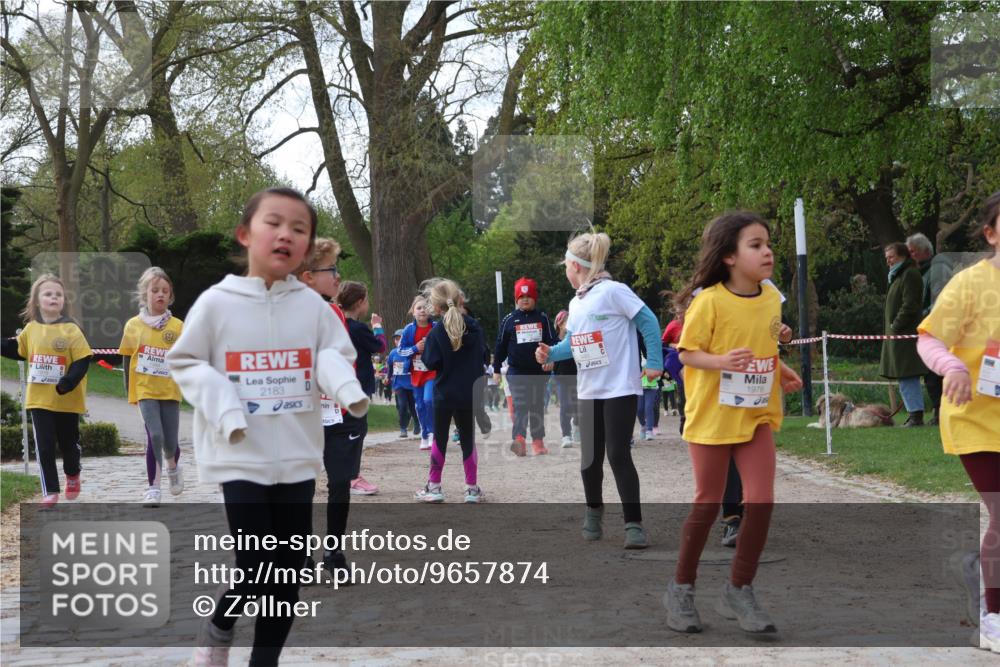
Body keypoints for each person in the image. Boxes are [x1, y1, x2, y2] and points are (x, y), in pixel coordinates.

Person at [167, 188, 367, 667]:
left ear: (307, 248)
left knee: (289, 570)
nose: (286, 234)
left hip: (296, 456)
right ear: (245, 234)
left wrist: (343, 386)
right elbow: (187, 361)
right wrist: (226, 410)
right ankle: (219, 628)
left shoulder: (313, 308)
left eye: (299, 229)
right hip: (240, 454)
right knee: (257, 564)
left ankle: (264, 661)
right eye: (273, 223)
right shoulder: (217, 303)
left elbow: (333, 353)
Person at [662, 210, 803, 635]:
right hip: (712, 417)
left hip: (755, 414)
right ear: (728, 256)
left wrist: (781, 370)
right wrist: (722, 361)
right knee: (707, 504)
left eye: (768, 244)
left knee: (761, 501)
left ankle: (739, 588)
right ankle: (681, 588)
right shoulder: (709, 301)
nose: (768, 252)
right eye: (755, 245)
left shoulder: (770, 298)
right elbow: (686, 354)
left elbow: (763, 345)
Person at [536, 232, 662, 549]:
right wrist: (550, 353)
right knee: (590, 458)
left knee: (618, 453)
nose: (566, 271)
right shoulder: (576, 302)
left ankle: (633, 524)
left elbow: (648, 321)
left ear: (576, 266)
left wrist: (654, 361)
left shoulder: (614, 291)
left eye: (566, 265)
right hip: (589, 389)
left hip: (620, 387)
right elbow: (573, 344)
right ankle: (593, 511)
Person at [917, 191, 1000, 652]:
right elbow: (928, 338)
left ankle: (977, 568)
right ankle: (993, 619)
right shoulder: (970, 284)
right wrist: (951, 367)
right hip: (976, 418)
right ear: (990, 234)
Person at [1, 274, 92, 509]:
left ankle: (73, 473)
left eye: (58, 294)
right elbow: (17, 349)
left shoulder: (71, 329)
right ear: (37, 301)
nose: (54, 297)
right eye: (48, 294)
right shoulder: (31, 329)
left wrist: (68, 382)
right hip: (39, 400)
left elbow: (82, 360)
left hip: (67, 399)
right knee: (44, 446)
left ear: (64, 301)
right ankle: (50, 491)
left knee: (69, 444)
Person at [415, 279, 487, 503]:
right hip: (469, 392)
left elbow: (430, 362)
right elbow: (484, 356)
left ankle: (434, 486)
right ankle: (471, 489)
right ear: (460, 300)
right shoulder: (475, 328)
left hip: (444, 393)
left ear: (436, 308)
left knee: (440, 439)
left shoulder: (436, 332)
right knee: (467, 439)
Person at [118, 267, 184, 507]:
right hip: (144, 389)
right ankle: (153, 488)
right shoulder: (132, 325)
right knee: (154, 435)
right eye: (155, 290)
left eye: (165, 291)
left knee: (170, 441)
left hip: (169, 390)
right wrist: (129, 390)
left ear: (170, 295)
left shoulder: (178, 326)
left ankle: (173, 467)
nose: (160, 294)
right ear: (144, 294)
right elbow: (127, 358)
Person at [495, 277, 556, 456]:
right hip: (517, 371)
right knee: (521, 405)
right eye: (521, 297)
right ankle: (519, 440)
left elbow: (553, 342)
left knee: (536, 406)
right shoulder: (509, 320)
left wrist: (551, 360)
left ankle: (538, 442)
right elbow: (500, 346)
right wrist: (496, 369)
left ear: (535, 298)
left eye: (529, 296)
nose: (525, 300)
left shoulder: (543, 318)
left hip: (539, 371)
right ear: (516, 300)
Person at [337, 281, 386, 496]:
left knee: (344, 430)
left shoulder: (335, 324)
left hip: (339, 384)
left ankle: (343, 473)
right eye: (366, 300)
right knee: (357, 430)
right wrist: (377, 326)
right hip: (358, 385)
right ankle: (351, 477)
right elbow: (380, 346)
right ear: (359, 303)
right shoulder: (357, 328)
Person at [906, 232, 956, 426]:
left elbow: (939, 299)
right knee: (931, 373)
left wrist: (922, 317)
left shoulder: (938, 268)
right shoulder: (921, 272)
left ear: (925, 251)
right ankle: (938, 412)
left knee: (935, 373)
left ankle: (941, 412)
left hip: (937, 327)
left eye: (913, 252)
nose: (910, 256)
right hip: (929, 326)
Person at [880, 242, 929, 427]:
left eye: (891, 257)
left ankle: (916, 416)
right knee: (904, 375)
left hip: (905, 335)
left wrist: (896, 325)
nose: (888, 261)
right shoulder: (897, 275)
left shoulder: (909, 274)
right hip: (898, 336)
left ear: (903, 256)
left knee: (908, 374)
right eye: (886, 258)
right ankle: (913, 413)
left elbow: (910, 304)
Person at [399, 297, 437, 450]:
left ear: (430, 311)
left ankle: (433, 432)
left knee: (429, 400)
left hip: (432, 372)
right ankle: (424, 433)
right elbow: (400, 351)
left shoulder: (436, 327)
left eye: (425, 307)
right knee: (420, 405)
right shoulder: (408, 330)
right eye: (419, 308)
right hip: (416, 373)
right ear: (413, 312)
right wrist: (415, 348)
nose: (422, 310)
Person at [552, 310, 580, 448]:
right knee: (565, 405)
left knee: (577, 406)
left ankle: (576, 424)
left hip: (577, 376)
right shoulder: (554, 340)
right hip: (561, 377)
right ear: (560, 323)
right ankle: (566, 435)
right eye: (566, 321)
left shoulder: (576, 338)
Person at [386, 329, 420, 438]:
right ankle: (403, 429)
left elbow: (418, 366)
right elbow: (390, 367)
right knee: (402, 405)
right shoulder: (393, 353)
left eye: (400, 338)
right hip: (399, 384)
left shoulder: (411, 351)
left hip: (411, 384)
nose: (398, 341)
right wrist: (388, 377)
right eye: (396, 339)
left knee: (412, 406)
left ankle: (417, 423)